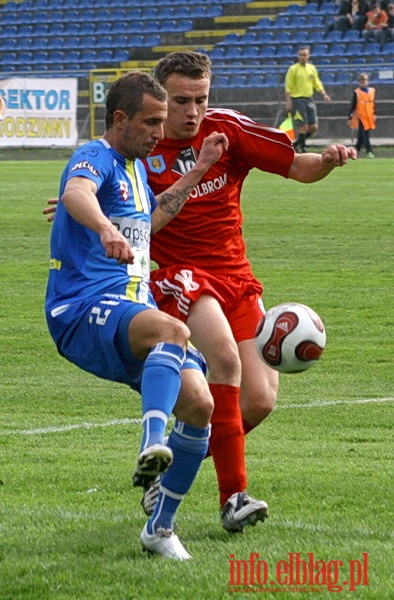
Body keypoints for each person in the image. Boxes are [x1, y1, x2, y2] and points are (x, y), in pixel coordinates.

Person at [45, 53, 357, 535]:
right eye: (181, 102)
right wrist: (86, 211)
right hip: (178, 276)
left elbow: (297, 165)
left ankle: (169, 466)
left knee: (259, 399)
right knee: (226, 362)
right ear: (161, 99)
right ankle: (234, 497)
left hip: (235, 275)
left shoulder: (226, 130)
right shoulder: (141, 143)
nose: (191, 112)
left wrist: (329, 161)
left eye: (201, 99)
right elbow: (100, 189)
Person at [45, 71, 229, 560]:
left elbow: (149, 219)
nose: (159, 132)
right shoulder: (95, 156)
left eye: (162, 122)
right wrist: (102, 226)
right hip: (81, 307)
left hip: (131, 308)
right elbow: (77, 193)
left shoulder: (137, 171)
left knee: (199, 405)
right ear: (120, 118)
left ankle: (160, 528)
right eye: (151, 122)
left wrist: (198, 169)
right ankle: (151, 446)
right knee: (174, 328)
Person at [284, 47, 331, 154]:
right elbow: (288, 86)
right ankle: (303, 148)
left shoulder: (312, 68)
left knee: (313, 127)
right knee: (303, 126)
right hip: (298, 100)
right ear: (298, 56)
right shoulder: (293, 69)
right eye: (300, 55)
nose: (302, 57)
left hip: (310, 100)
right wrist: (288, 101)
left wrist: (324, 94)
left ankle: (297, 143)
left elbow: (317, 83)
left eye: (304, 55)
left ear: (308, 56)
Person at [347, 72, 376, 157]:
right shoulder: (357, 92)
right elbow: (353, 106)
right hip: (361, 117)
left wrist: (374, 114)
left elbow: (373, 104)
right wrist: (350, 118)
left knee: (362, 135)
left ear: (368, 82)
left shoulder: (372, 91)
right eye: (361, 81)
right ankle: (369, 151)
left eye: (365, 81)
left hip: (369, 116)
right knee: (364, 134)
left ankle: (356, 149)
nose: (363, 83)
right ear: (359, 82)